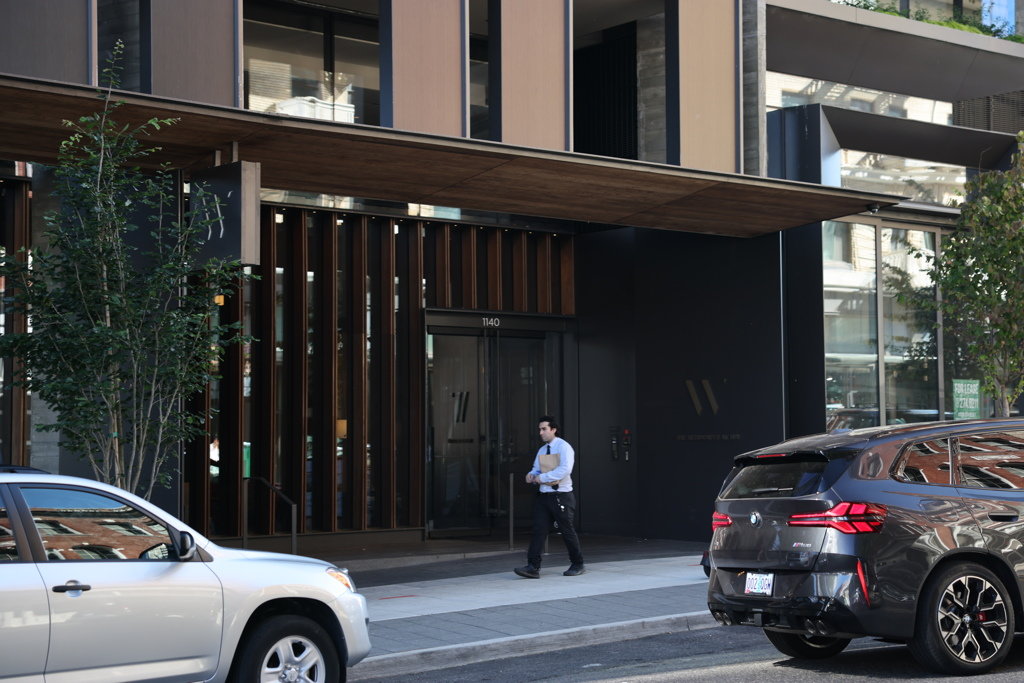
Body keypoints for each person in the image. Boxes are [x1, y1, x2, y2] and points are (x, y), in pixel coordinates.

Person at [514, 416, 585, 578]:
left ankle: (578, 563)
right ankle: (533, 566)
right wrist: (531, 475)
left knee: (567, 530)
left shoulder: (564, 447)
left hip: (561, 495)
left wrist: (543, 478)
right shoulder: (542, 450)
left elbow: (565, 469)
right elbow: (536, 468)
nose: (541, 432)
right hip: (544, 496)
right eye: (540, 429)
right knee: (539, 530)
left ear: (553, 429)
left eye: (544, 429)